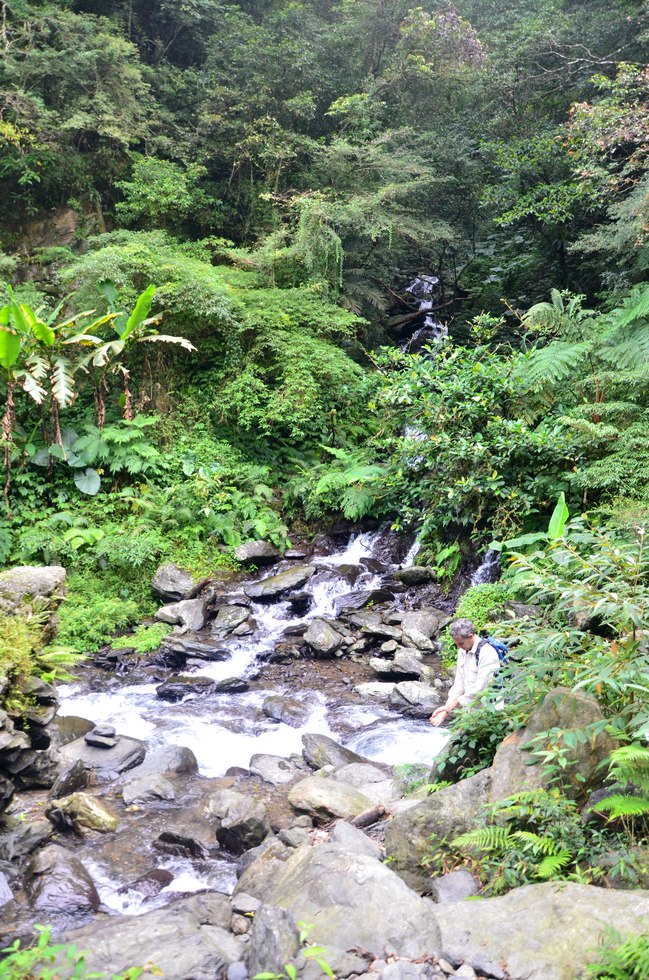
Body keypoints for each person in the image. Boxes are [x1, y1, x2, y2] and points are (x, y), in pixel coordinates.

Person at [429, 618, 500, 726]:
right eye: (456, 644)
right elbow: (459, 683)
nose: (458, 647)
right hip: (470, 711)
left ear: (471, 636)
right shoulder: (462, 650)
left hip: (490, 711)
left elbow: (481, 688)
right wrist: (446, 708)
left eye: (461, 643)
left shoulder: (487, 653)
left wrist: (452, 706)